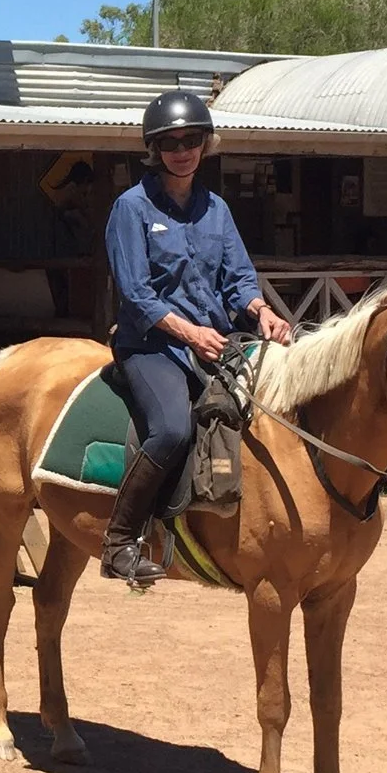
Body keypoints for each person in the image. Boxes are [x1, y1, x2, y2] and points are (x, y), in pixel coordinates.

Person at [98, 89, 293, 583]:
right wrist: (189, 334)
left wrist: (261, 310)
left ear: (205, 144)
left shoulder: (217, 210)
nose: (181, 150)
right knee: (172, 429)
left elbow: (239, 278)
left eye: (191, 140)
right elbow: (137, 294)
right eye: (170, 142)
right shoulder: (132, 208)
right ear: (154, 149)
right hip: (152, 346)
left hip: (214, 339)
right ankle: (120, 541)